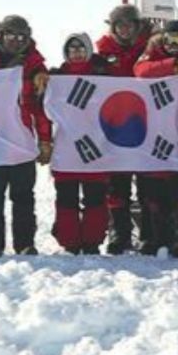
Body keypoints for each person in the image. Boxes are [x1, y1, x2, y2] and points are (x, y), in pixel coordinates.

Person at [0, 15, 51, 256]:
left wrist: (45, 138)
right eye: (11, 35)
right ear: (0, 35)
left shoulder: (36, 66)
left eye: (21, 37)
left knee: (23, 196)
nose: (16, 41)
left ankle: (25, 243)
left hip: (21, 140)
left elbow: (42, 108)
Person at [133, 19, 178, 256]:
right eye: (170, 40)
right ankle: (155, 238)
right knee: (152, 195)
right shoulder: (153, 53)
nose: (175, 45)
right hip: (153, 135)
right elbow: (140, 71)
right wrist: (173, 65)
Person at [95, 4, 152, 253]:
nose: (125, 30)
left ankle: (149, 234)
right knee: (116, 187)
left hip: (146, 127)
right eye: (120, 25)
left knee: (147, 187)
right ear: (113, 28)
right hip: (114, 127)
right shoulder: (101, 54)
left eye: (130, 24)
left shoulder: (150, 50)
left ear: (137, 27)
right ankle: (119, 233)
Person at [49, 33, 112, 255]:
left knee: (95, 199)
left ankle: (92, 240)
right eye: (72, 49)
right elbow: (45, 109)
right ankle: (70, 240)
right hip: (67, 147)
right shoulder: (56, 78)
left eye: (81, 49)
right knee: (66, 199)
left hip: (96, 147)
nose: (76, 53)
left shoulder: (103, 76)